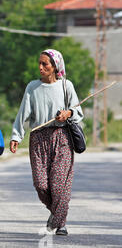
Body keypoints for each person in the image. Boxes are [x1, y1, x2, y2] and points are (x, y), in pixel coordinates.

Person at [10, 49, 83, 236]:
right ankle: (58, 215)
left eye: (45, 64)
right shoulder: (32, 87)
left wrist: (69, 113)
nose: (41, 67)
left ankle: (60, 221)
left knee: (59, 184)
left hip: (62, 138)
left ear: (55, 66)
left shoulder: (67, 86)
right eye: (39, 63)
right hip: (38, 139)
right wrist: (16, 136)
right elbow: (22, 113)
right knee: (41, 184)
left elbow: (78, 112)